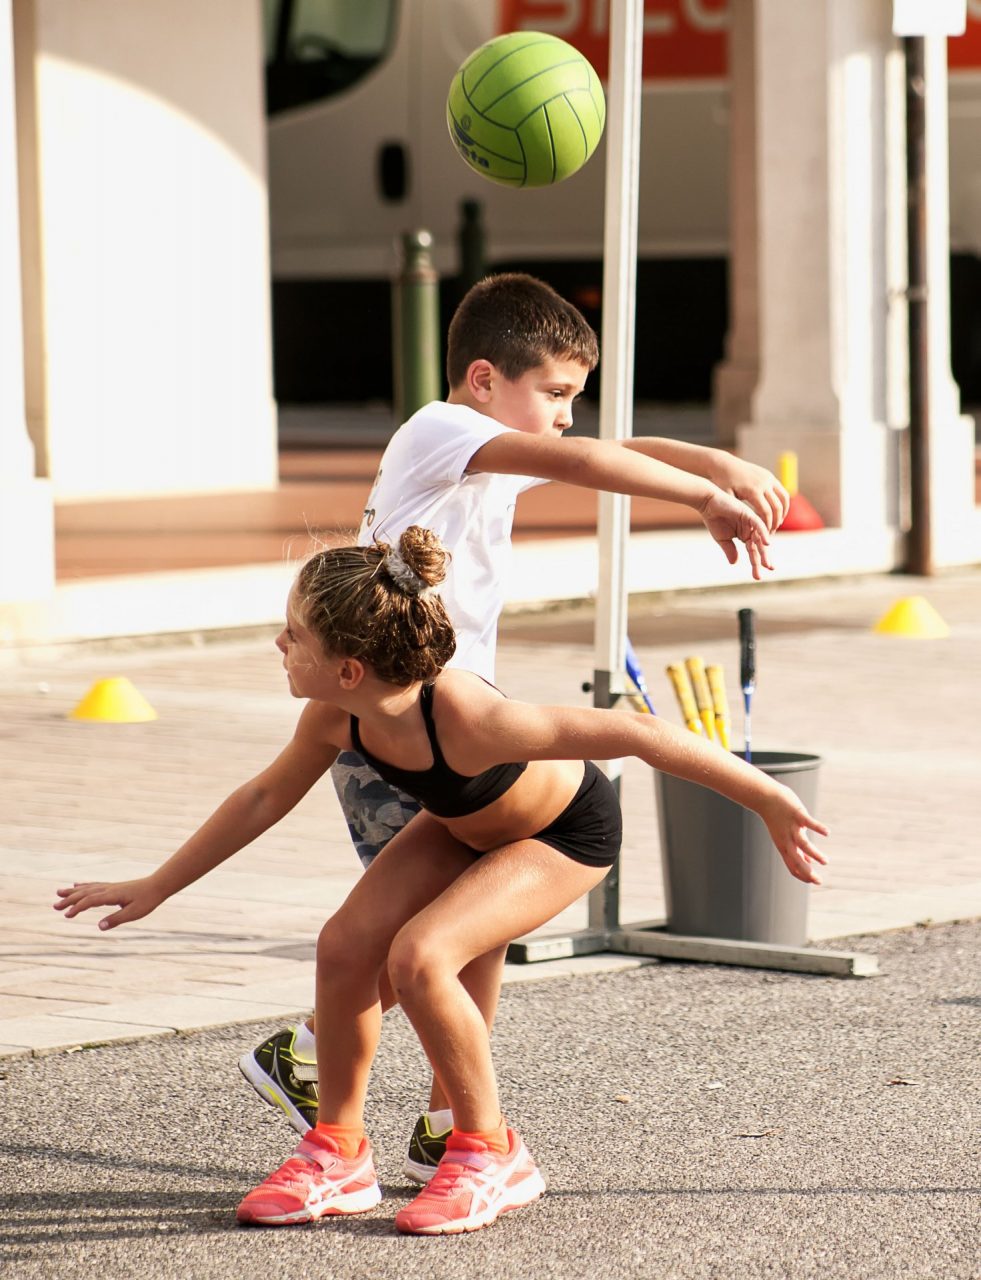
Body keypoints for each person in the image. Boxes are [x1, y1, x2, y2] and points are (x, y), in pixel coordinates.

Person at [55, 528, 828, 1237]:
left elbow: (639, 732)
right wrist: (158, 884)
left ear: (348, 669)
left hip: (560, 836)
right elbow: (263, 797)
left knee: (421, 957)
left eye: (295, 635)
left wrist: (767, 798)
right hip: (462, 826)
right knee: (344, 946)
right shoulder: (334, 715)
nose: (279, 643)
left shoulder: (470, 717)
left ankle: (491, 1152)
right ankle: (339, 1150)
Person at [240, 272, 791, 1180]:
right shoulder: (439, 429)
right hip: (394, 720)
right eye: (557, 393)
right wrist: (700, 497)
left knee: (469, 926)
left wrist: (713, 464)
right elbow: (586, 463)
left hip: (449, 713)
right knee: (421, 936)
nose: (567, 416)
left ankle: (442, 1118)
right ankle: (319, 1062)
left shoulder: (486, 449)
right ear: (485, 379)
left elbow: (602, 449)